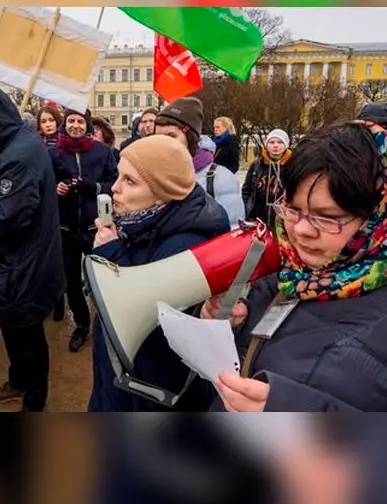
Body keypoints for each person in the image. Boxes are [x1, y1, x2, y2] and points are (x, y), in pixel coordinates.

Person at [203, 121, 387, 412]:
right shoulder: (293, 274)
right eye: (292, 208)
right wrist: (230, 328)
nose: (301, 230)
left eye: (327, 217)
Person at [88, 135, 229, 412]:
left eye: (130, 181)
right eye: (118, 176)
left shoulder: (183, 247)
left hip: (145, 395)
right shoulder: (140, 221)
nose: (114, 188)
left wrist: (111, 254)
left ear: (163, 191)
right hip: (120, 382)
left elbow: (154, 330)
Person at [0, 85, 65, 412]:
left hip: (24, 267)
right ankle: (19, 381)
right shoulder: (16, 145)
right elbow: (9, 190)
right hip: (18, 263)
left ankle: (34, 400)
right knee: (14, 330)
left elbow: (6, 219)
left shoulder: (19, 154)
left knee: (28, 336)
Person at [49, 108, 118, 351]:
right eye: (71, 121)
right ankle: (82, 324)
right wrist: (56, 188)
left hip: (94, 227)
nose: (75, 125)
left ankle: (108, 323)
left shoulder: (102, 151)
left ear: (87, 126)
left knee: (102, 278)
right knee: (71, 282)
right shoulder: (53, 151)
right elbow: (43, 182)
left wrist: (93, 187)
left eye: (80, 121)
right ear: (64, 124)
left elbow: (114, 184)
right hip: (65, 227)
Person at [154, 97, 244, 230]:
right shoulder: (152, 173)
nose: (164, 143)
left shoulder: (221, 179)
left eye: (172, 136)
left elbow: (232, 234)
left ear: (191, 137)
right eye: (158, 137)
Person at [241, 129, 292, 228]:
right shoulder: (257, 165)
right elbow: (247, 189)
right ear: (266, 144)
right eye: (272, 142)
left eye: (280, 142)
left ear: (286, 145)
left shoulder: (292, 165)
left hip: (282, 219)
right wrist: (246, 209)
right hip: (257, 216)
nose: (275, 146)